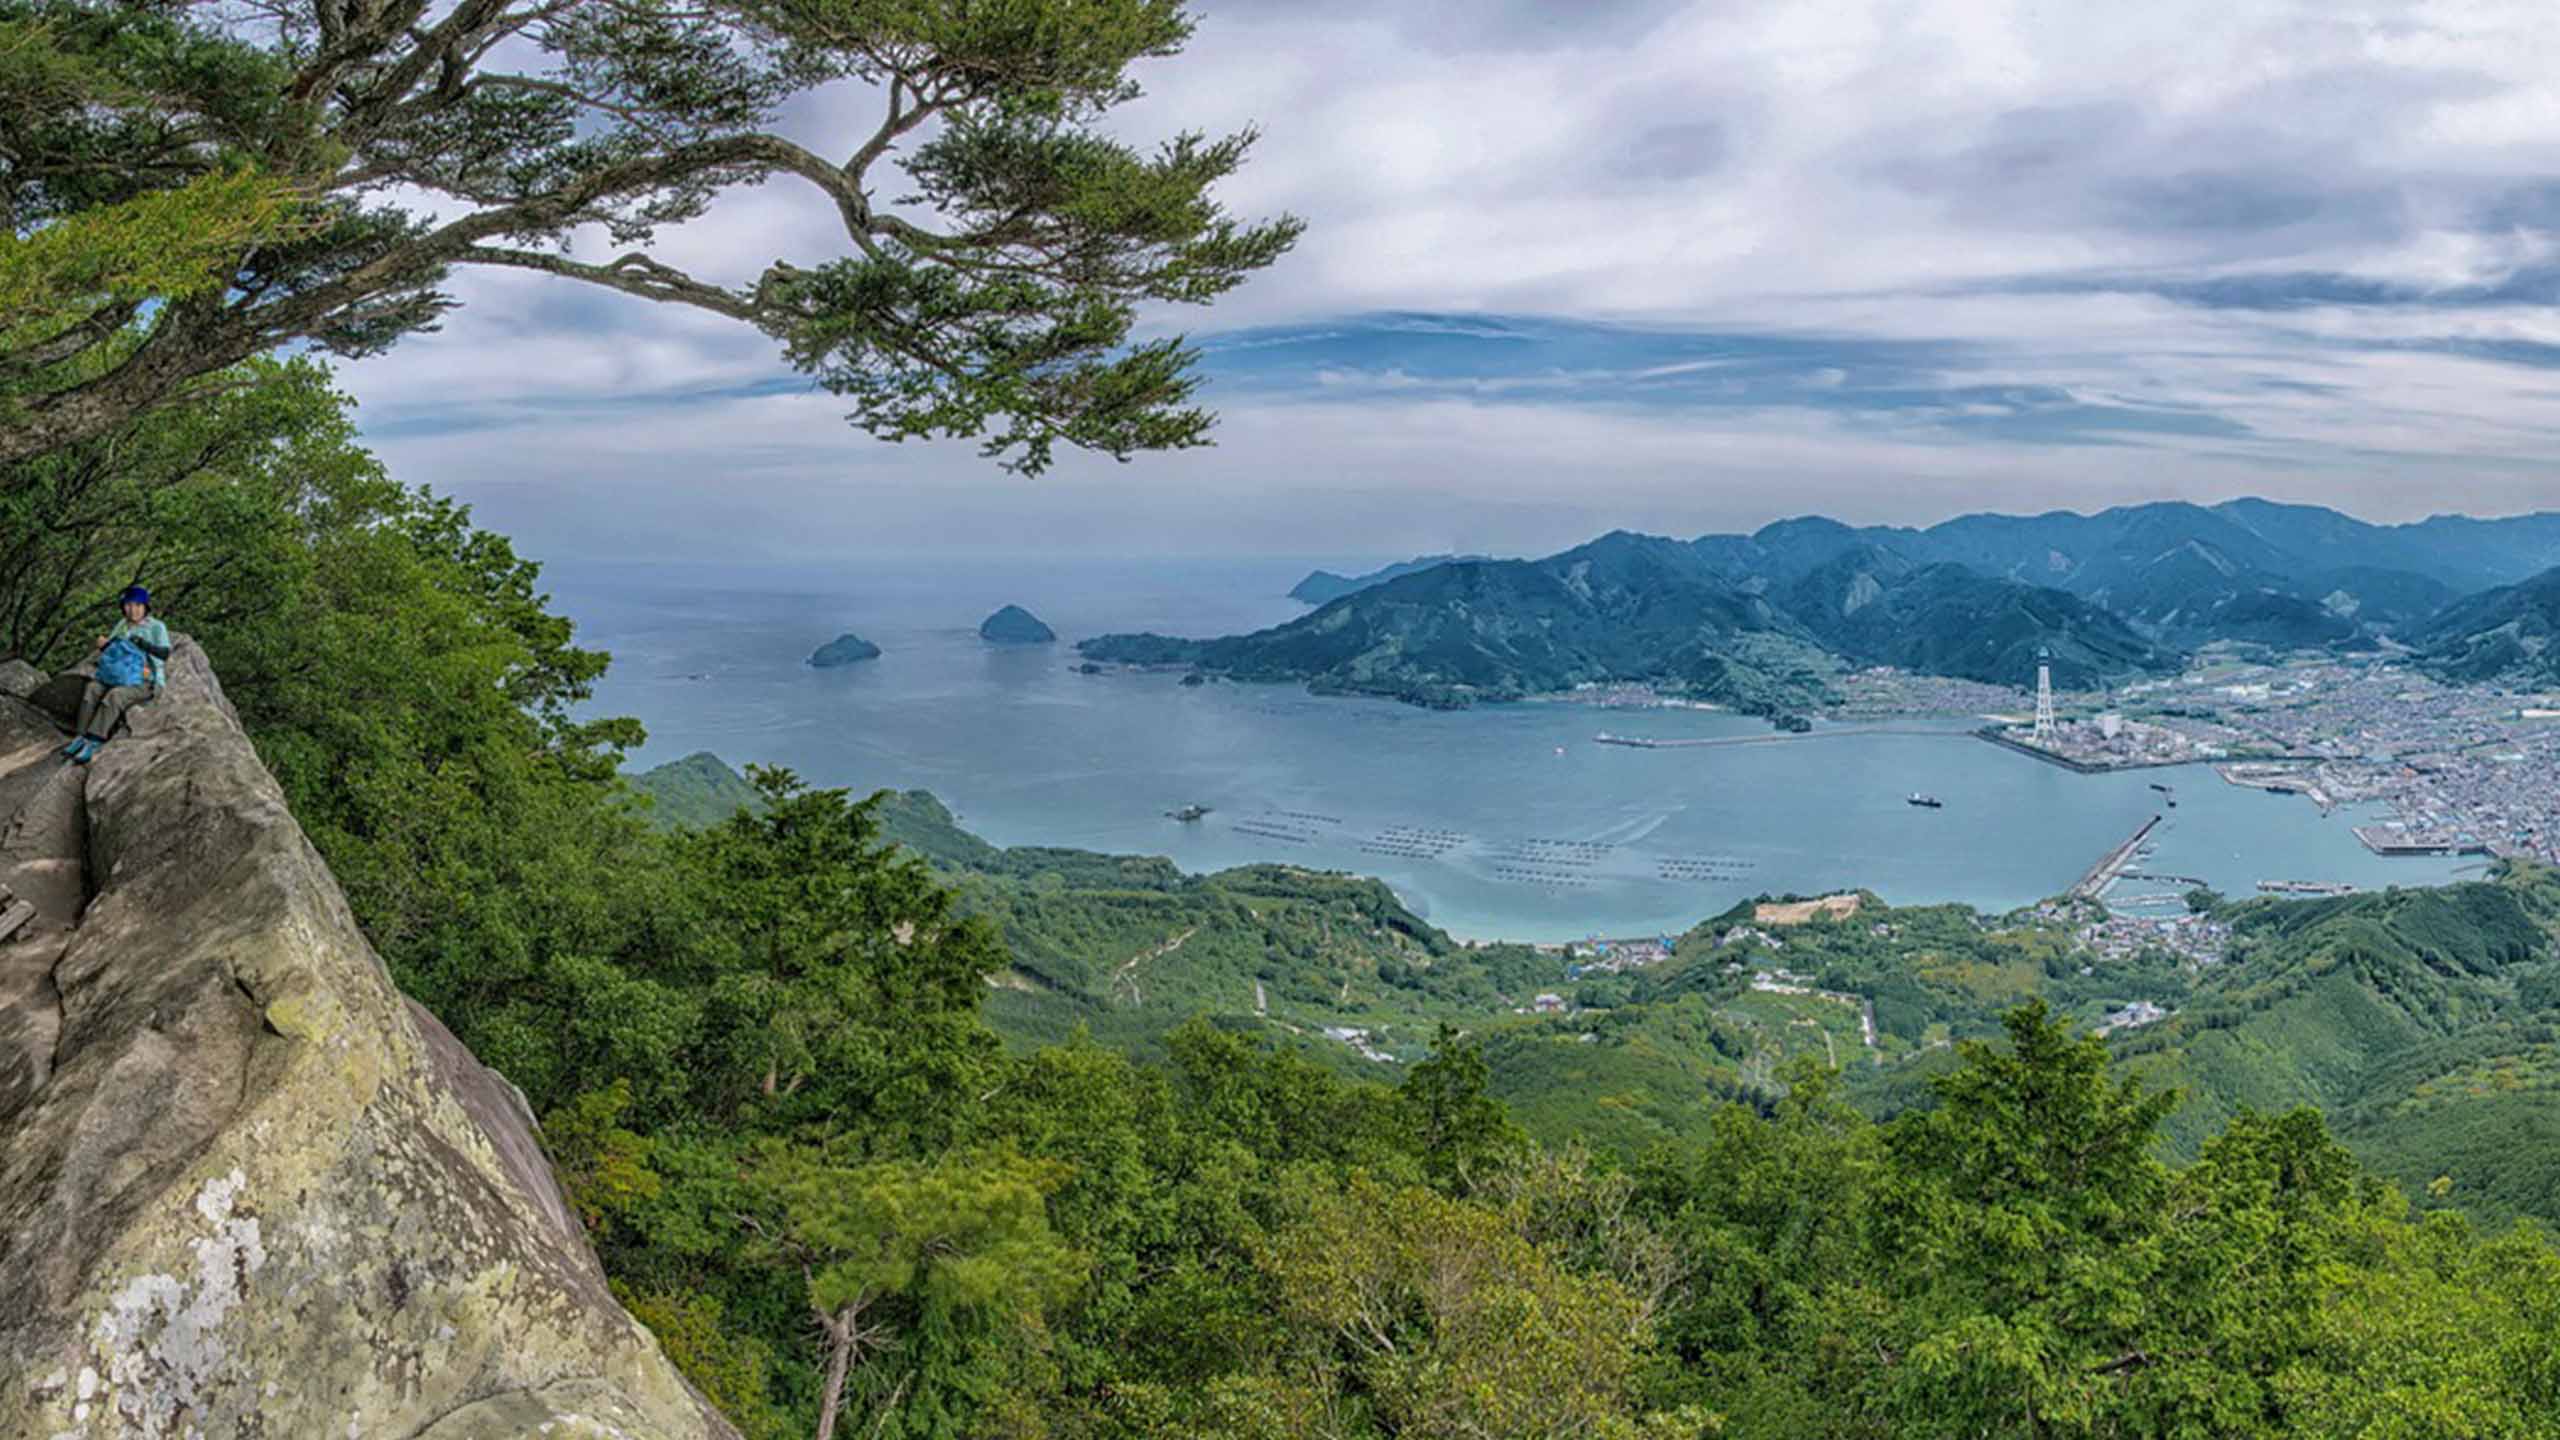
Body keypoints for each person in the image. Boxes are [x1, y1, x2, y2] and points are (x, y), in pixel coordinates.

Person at [62, 585, 170, 765]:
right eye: (128, 605)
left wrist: (143, 644)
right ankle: (80, 736)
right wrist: (105, 646)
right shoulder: (122, 625)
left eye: (137, 605)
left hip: (144, 680)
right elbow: (112, 650)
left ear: (145, 607)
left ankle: (94, 740)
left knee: (115, 696)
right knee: (92, 689)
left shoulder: (156, 627)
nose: (132, 610)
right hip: (117, 675)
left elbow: (165, 653)